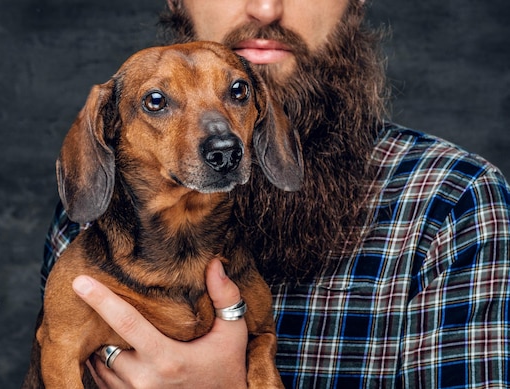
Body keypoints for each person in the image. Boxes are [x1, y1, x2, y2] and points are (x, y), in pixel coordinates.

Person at [39, 0, 510, 388]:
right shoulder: (91, 206)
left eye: (237, 91)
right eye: (158, 103)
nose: (265, 9)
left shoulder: (458, 203)